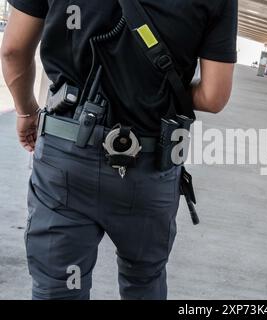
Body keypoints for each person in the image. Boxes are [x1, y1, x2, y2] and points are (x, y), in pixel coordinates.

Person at [1, 0, 237, 300]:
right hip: (150, 165)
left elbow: (13, 50)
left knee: (58, 289)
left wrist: (25, 111)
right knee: (144, 283)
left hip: (66, 160)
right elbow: (214, 96)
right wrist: (157, 89)